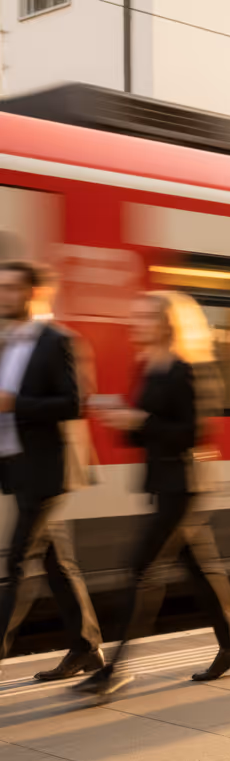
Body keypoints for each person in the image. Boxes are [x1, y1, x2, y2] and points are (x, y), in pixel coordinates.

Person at [75, 291, 230, 698]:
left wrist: (141, 420)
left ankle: (115, 669)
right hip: (162, 481)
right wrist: (121, 419)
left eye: (145, 316)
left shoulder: (189, 367)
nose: (136, 323)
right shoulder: (150, 366)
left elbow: (195, 431)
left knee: (141, 569)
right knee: (201, 570)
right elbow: (148, 430)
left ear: (169, 323)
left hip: (185, 485)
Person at [0, 261, 104, 681]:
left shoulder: (58, 340)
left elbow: (73, 403)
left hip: (46, 469)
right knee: (57, 561)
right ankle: (87, 648)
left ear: (35, 294)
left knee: (18, 563)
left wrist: (15, 404)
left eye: (10, 288)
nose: (3, 295)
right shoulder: (5, 341)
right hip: (15, 464)